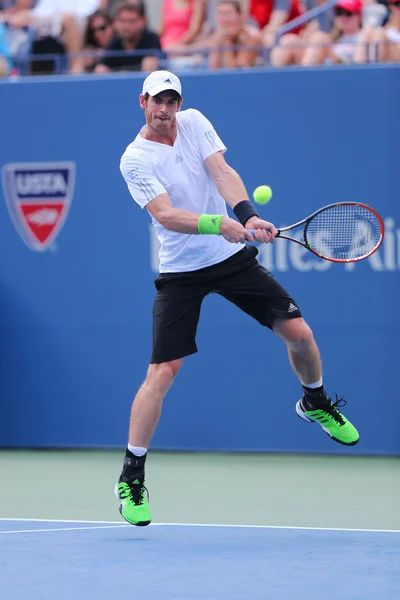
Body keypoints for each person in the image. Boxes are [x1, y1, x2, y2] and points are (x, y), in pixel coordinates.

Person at [117, 69, 360, 527]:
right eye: (158, 102)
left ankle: (315, 401)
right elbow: (166, 215)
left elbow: (222, 171)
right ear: (143, 101)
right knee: (163, 371)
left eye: (172, 101)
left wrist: (247, 214)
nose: (166, 111)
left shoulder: (194, 122)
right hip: (181, 270)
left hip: (231, 260)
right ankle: (132, 474)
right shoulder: (133, 159)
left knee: (299, 333)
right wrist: (220, 224)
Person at [271, 0, 363, 66]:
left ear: (359, 16)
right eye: (339, 13)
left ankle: (304, 82)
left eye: (348, 13)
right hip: (323, 64)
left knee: (319, 38)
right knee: (289, 40)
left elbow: (359, 61)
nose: (343, 18)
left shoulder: (362, 36)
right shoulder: (334, 36)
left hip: (344, 68)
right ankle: (271, 83)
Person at [95, 2, 161, 73]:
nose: (126, 26)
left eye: (131, 21)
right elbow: (102, 68)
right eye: (122, 21)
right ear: (115, 23)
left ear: (142, 22)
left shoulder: (151, 38)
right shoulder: (114, 42)